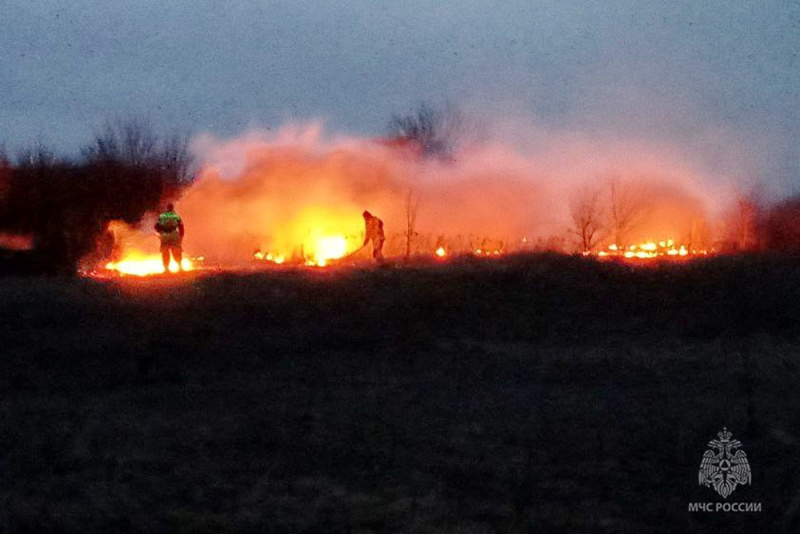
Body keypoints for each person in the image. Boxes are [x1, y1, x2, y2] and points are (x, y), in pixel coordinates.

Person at [155, 203, 185, 272]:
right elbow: (181, 226)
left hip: (164, 236)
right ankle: (180, 267)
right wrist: (181, 236)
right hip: (174, 235)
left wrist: (160, 233)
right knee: (176, 251)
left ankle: (166, 268)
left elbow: (156, 226)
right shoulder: (176, 216)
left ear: (166, 208)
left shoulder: (161, 216)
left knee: (165, 252)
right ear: (172, 208)